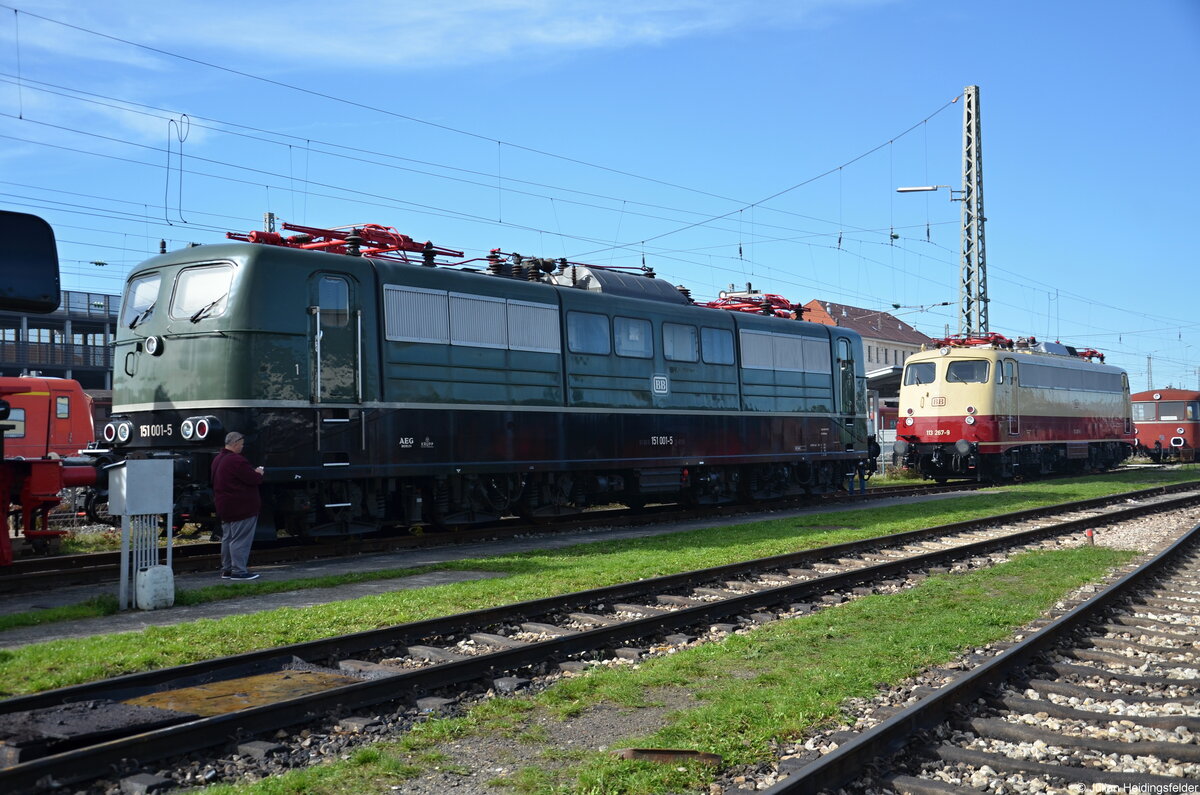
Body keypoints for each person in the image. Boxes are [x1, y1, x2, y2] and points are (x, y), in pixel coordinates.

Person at [210, 431, 265, 580]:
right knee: (240, 539)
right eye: (241, 444)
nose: (242, 447)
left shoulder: (218, 459)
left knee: (227, 539)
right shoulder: (236, 460)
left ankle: (227, 569)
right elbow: (253, 479)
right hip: (241, 507)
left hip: (224, 506)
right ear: (235, 443)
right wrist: (258, 473)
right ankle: (239, 571)